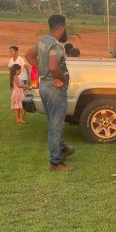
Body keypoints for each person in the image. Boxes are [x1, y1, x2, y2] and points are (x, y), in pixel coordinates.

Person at [25, 14, 75, 171]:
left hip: (44, 87)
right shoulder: (55, 46)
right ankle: (55, 162)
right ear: (61, 27)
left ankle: (63, 148)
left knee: (53, 120)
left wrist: (42, 69)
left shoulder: (42, 41)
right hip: (54, 89)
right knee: (56, 125)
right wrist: (61, 79)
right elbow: (54, 67)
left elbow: (28, 55)